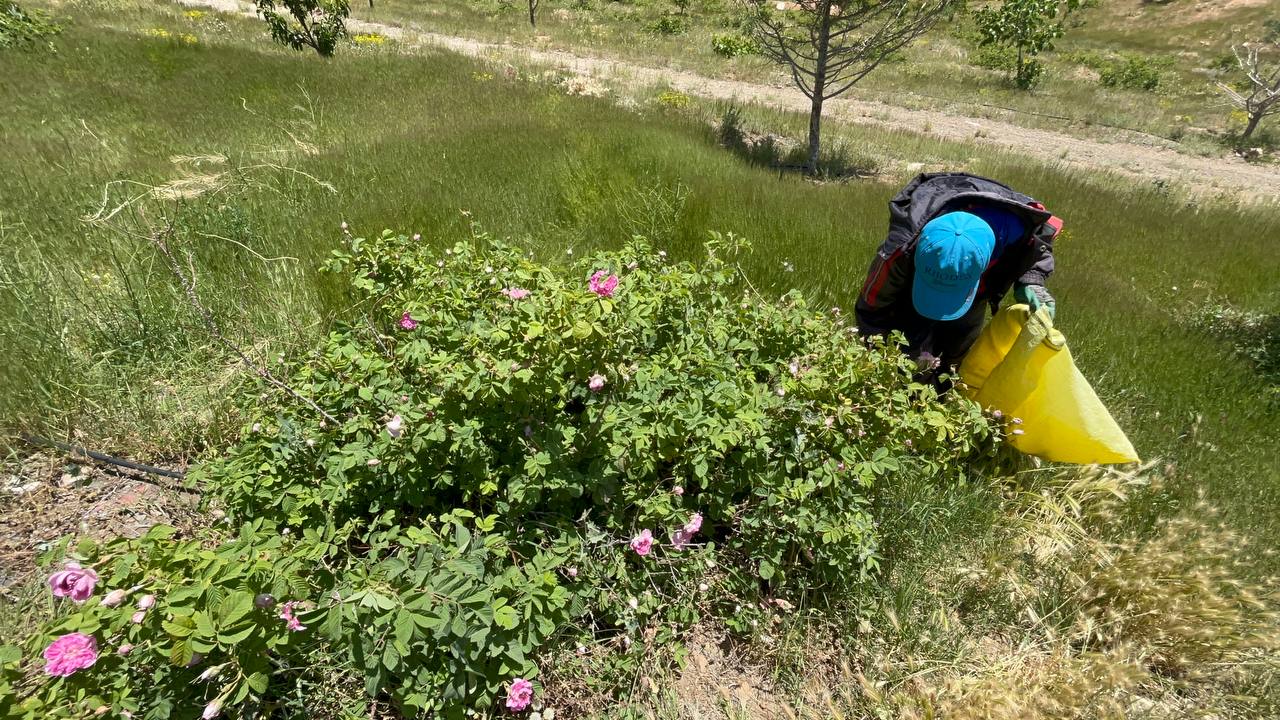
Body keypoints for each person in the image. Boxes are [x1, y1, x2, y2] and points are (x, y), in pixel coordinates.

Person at [855, 172, 1063, 379]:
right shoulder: (901, 249)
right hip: (914, 297)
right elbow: (871, 309)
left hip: (976, 292)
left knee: (963, 346)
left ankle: (949, 383)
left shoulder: (1016, 225)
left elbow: (1040, 240)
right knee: (911, 345)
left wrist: (1032, 280)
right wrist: (878, 358)